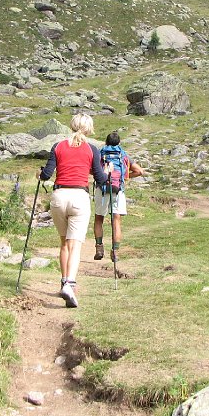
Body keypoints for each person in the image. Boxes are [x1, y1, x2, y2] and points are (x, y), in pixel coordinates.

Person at [39, 114, 108, 308]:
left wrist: (40, 173)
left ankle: (63, 281)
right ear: (89, 129)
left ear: (72, 126)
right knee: (75, 245)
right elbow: (101, 179)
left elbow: (46, 174)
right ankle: (70, 284)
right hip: (79, 196)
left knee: (64, 243)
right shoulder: (91, 149)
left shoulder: (58, 146)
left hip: (59, 196)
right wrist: (108, 172)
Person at [93, 131, 144, 263]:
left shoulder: (100, 153)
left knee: (99, 219)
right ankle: (115, 252)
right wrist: (125, 177)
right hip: (118, 190)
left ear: (106, 142)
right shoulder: (123, 154)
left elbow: (92, 170)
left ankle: (99, 248)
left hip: (102, 189)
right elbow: (139, 171)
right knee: (116, 220)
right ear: (119, 143)